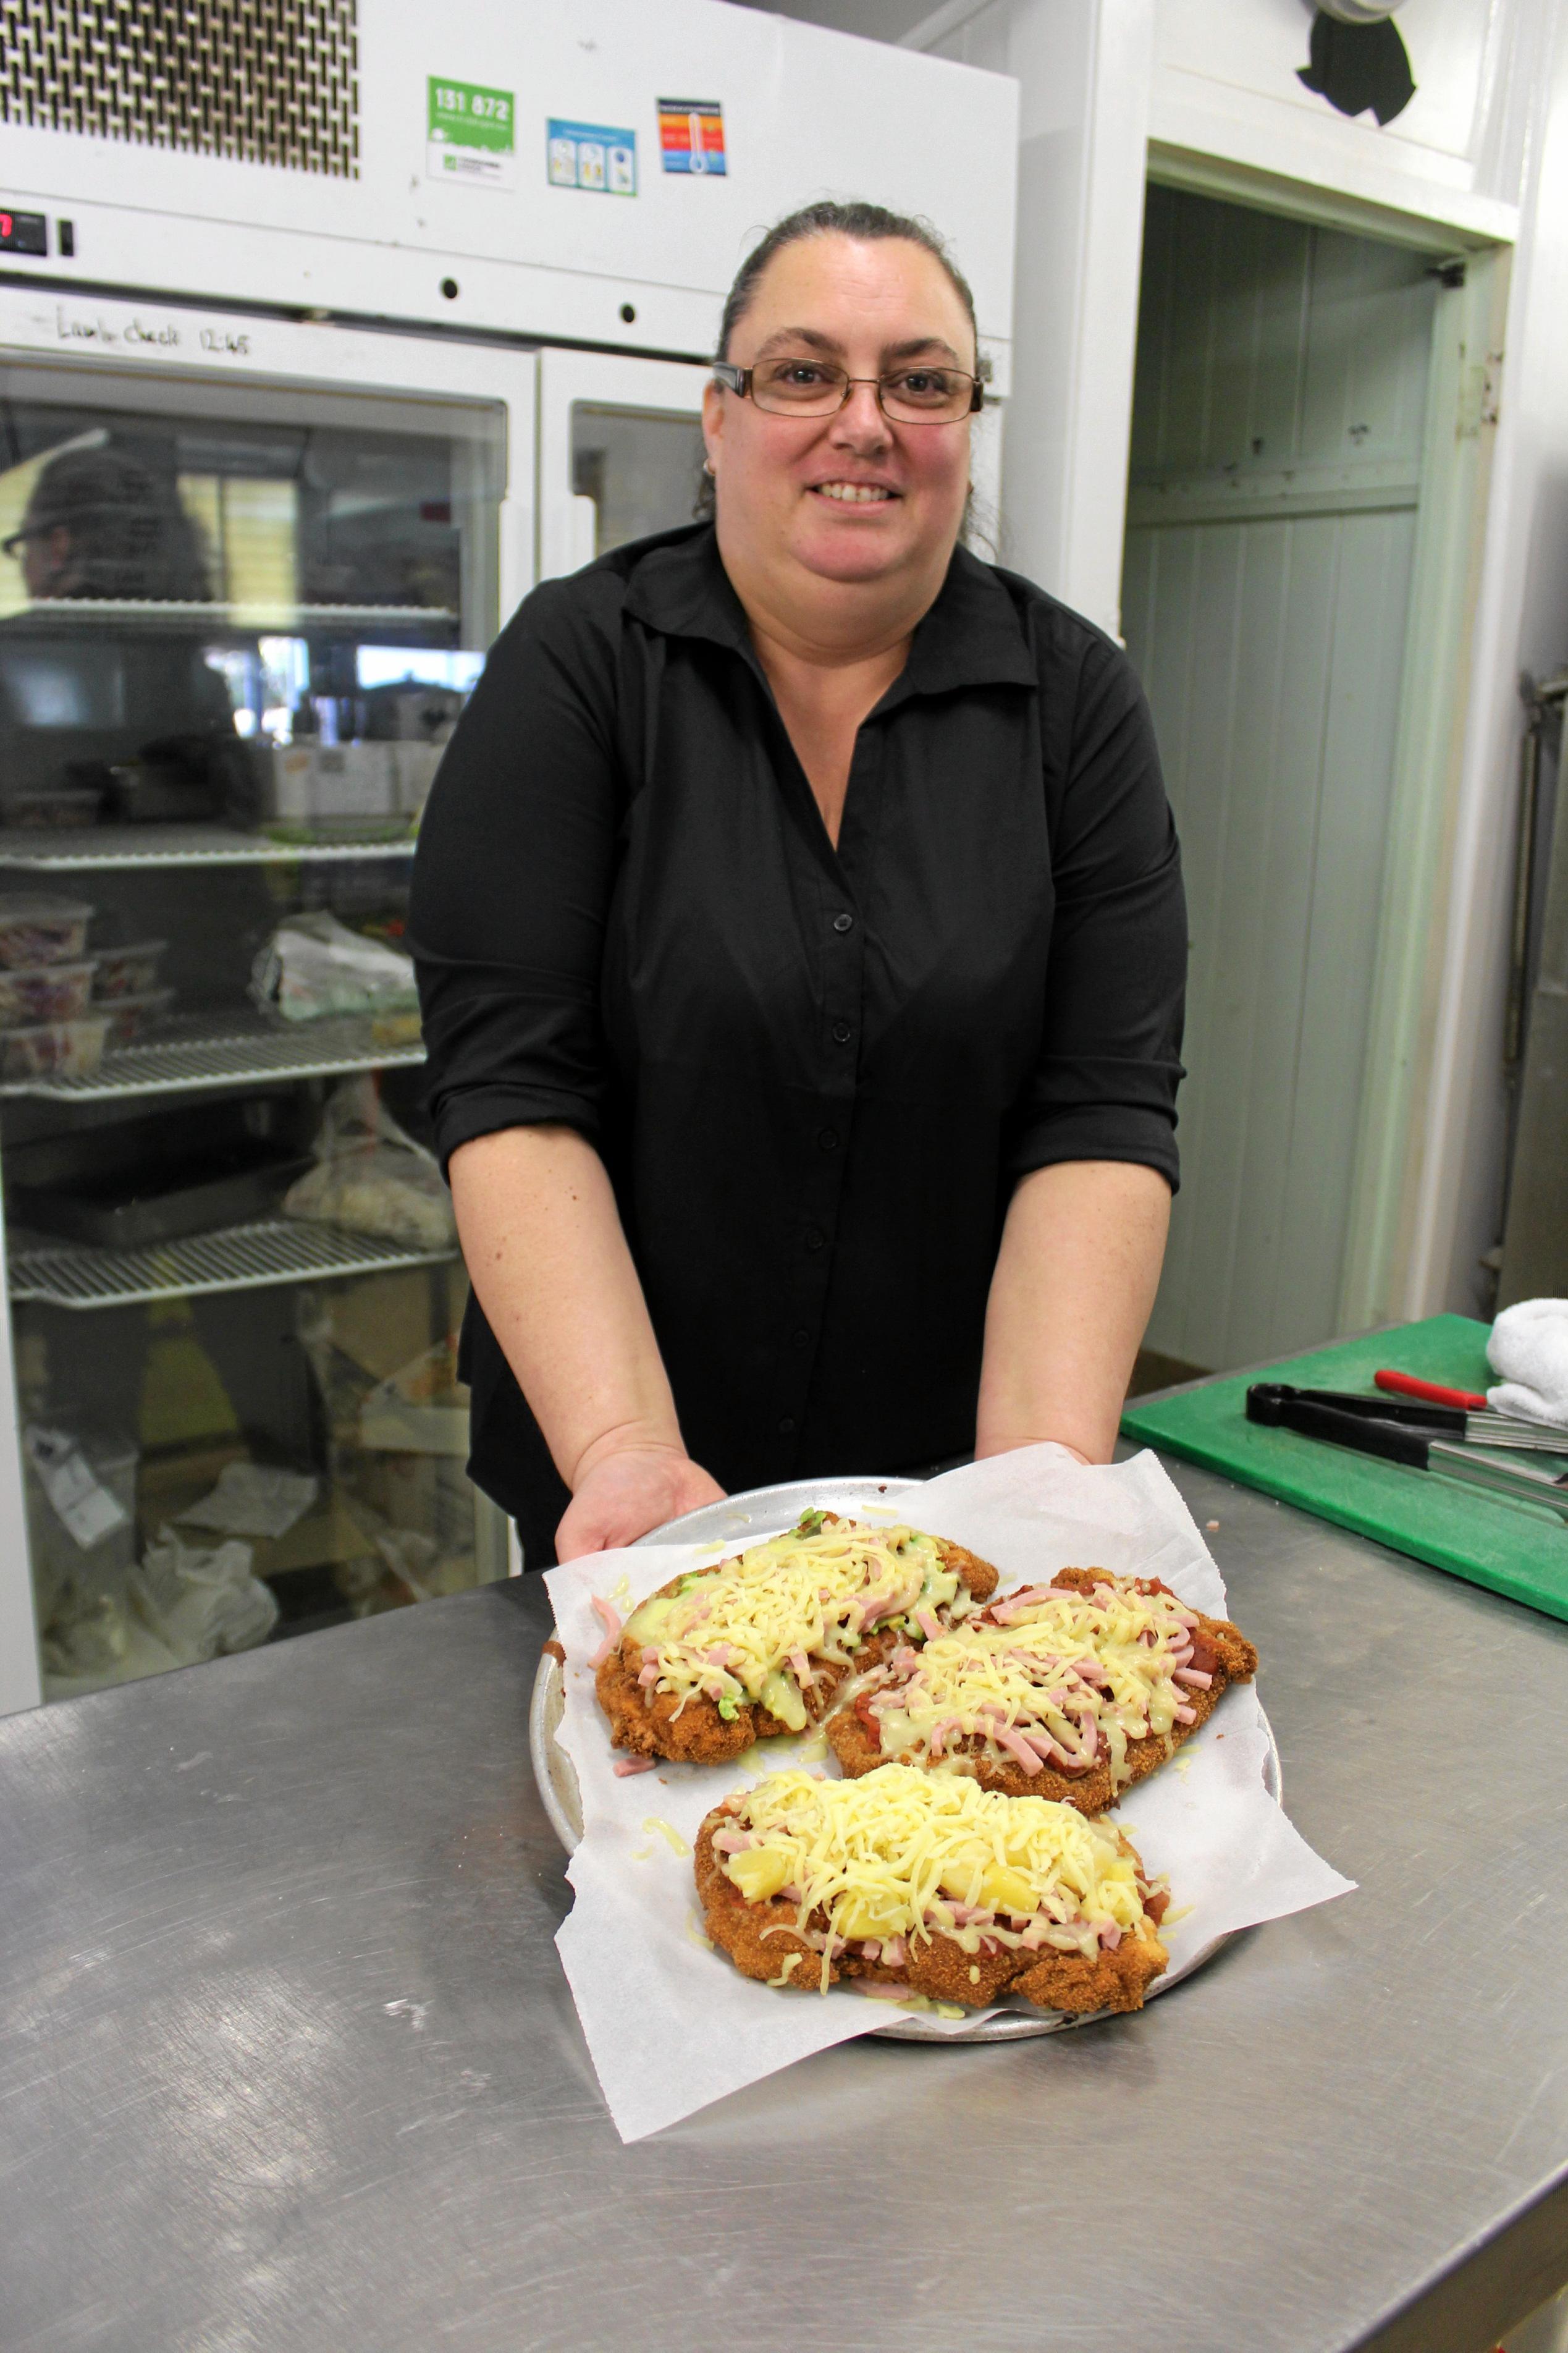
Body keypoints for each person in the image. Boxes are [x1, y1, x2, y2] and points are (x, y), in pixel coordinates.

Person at [411, 200, 1186, 1568]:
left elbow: (1100, 1111)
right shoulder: (581, 664)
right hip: (629, 1477)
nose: (866, 421)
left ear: (966, 421)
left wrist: (1037, 1485)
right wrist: (626, 1453)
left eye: (924, 381)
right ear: (719, 417)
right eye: (804, 371)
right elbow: (514, 1089)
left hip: (950, 1481)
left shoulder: (1075, 703)